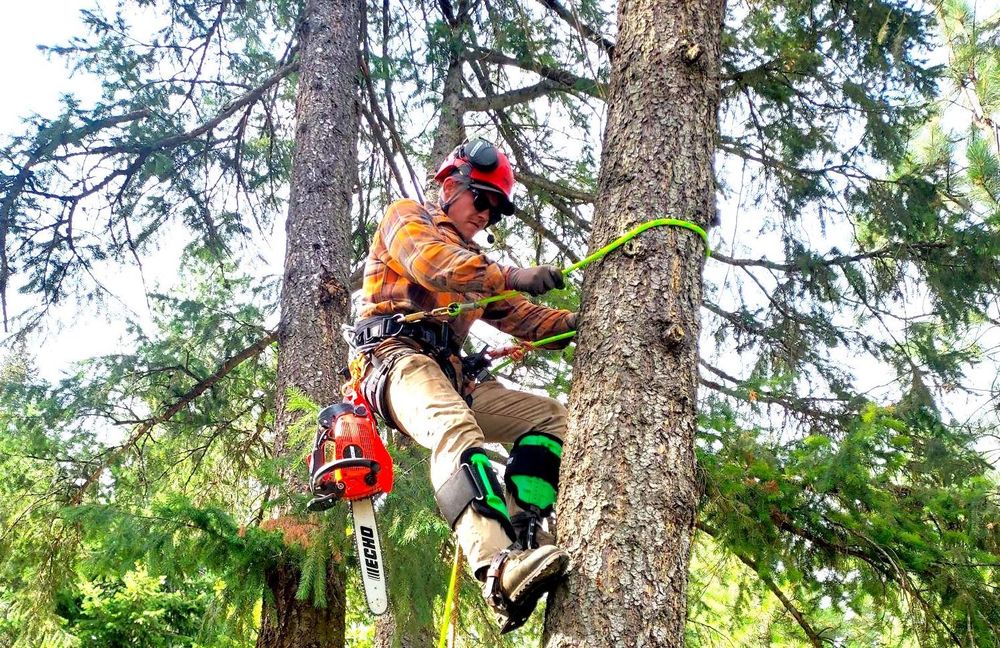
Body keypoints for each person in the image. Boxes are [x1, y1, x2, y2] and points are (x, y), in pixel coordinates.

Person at [352, 138, 576, 633]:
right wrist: (512, 274)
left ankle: (526, 534)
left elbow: (527, 319)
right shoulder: (407, 217)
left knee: (551, 417)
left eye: (496, 211)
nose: (486, 215)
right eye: (482, 200)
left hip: (452, 377)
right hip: (394, 362)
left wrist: (581, 322)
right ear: (450, 186)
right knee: (455, 427)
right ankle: (495, 568)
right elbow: (430, 263)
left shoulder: (478, 265)